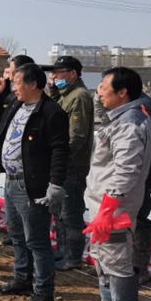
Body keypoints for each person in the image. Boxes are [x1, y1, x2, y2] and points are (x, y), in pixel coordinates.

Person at [0, 64, 69, 301]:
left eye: (17, 82)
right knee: (16, 235)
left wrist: (55, 184)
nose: (13, 87)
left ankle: (44, 293)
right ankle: (22, 278)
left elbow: (60, 151)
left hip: (32, 185)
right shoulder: (16, 104)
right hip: (11, 181)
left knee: (37, 240)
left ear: (33, 84)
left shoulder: (51, 112)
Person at [80, 68, 151, 301]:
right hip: (101, 204)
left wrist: (108, 210)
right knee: (102, 256)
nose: (99, 91)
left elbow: (126, 171)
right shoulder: (118, 117)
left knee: (117, 261)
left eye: (103, 86)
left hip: (114, 208)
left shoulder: (129, 123)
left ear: (122, 92)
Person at [43, 55, 94, 271]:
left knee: (70, 213)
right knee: (58, 211)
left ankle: (73, 256)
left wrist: (60, 159)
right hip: (61, 163)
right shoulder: (65, 95)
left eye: (58, 73)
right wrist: (52, 91)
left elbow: (76, 136)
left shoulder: (79, 96)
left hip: (72, 165)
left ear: (72, 74)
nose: (54, 77)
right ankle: (62, 250)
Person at [0, 54, 35, 247]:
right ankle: (21, 263)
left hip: (27, 176)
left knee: (33, 235)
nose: (8, 77)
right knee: (16, 229)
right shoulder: (12, 99)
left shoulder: (39, 107)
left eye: (12, 72)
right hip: (11, 172)